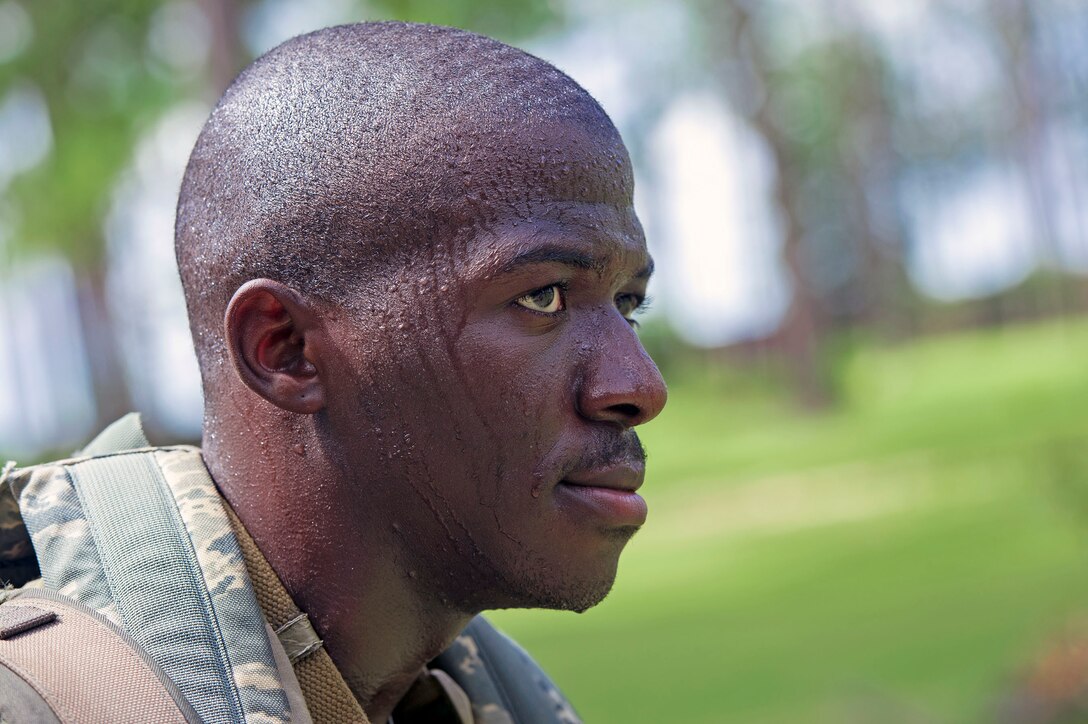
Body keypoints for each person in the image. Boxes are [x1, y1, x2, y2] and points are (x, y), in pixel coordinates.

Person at [0, 21, 666, 723]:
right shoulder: (49, 700)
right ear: (283, 349)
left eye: (628, 303)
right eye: (542, 297)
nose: (640, 387)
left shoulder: (474, 696)